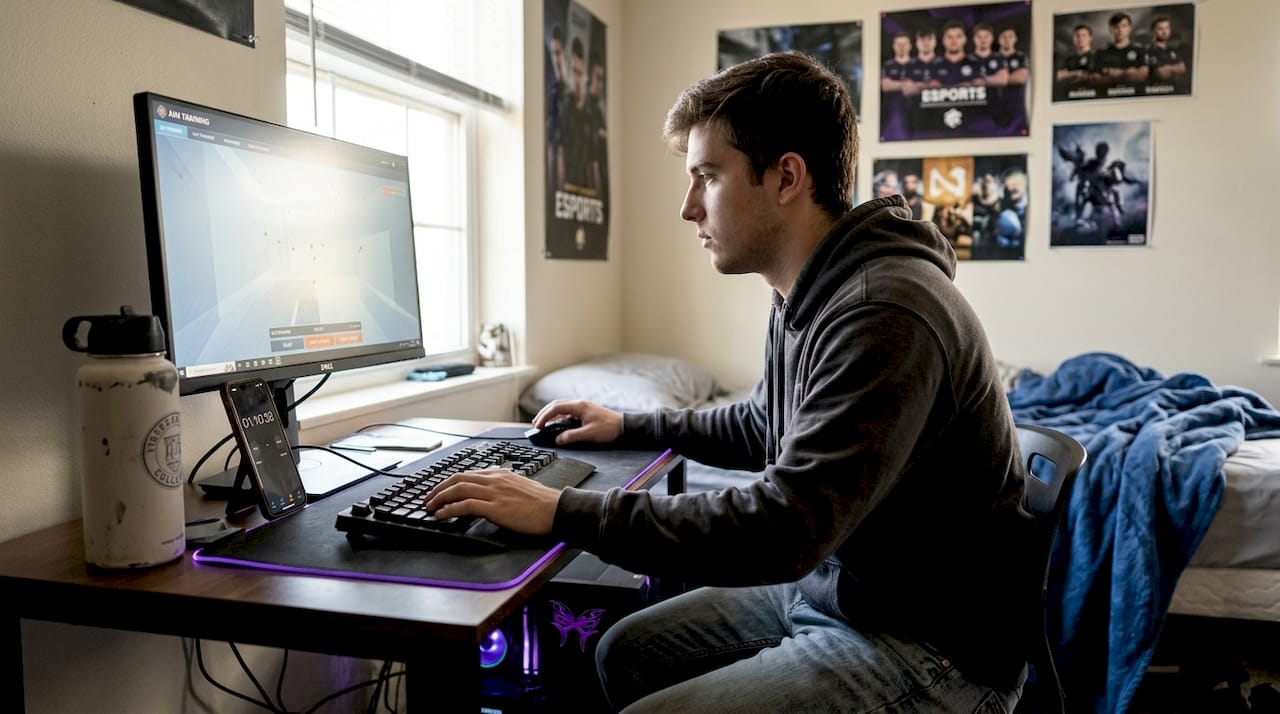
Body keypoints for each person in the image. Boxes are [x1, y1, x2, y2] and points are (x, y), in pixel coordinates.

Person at [424, 51, 1034, 712]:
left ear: (786, 177)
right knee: (622, 654)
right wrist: (629, 424)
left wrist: (564, 512)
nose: (688, 208)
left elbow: (788, 526)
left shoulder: (882, 310)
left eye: (707, 177)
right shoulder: (808, 292)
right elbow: (761, 421)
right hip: (844, 591)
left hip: (927, 644)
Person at [1097, 12, 1149, 89]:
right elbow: (1096, 79)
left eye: (1124, 26)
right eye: (1116, 27)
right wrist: (1127, 73)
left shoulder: (1140, 50)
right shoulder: (1101, 52)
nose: (1120, 30)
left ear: (1130, 28)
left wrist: (1113, 74)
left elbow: (1142, 76)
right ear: (1110, 29)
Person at [1057, 23, 1100, 96]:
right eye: (1077, 35)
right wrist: (1076, 73)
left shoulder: (1098, 56)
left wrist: (1069, 75)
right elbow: (1058, 76)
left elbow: (1100, 77)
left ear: (1090, 38)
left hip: (1093, 95)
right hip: (1071, 95)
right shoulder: (1068, 59)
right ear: (1073, 39)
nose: (1080, 38)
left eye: (1084, 35)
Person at [1146, 15, 1188, 88]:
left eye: (1167, 28)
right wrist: (1175, 68)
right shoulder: (1149, 50)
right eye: (1160, 29)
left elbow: (1183, 68)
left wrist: (1168, 68)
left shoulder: (1172, 50)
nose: (1165, 32)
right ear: (1153, 31)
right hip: (1158, 90)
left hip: (1175, 89)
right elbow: (1161, 73)